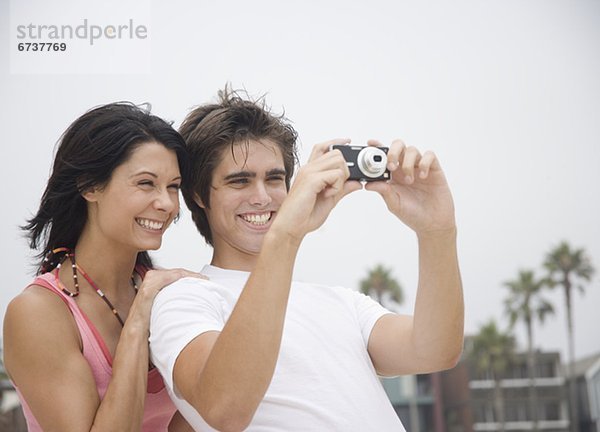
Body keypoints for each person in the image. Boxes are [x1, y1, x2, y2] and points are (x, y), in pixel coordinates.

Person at [149, 88, 464, 431]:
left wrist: (437, 232)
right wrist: (287, 235)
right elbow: (224, 409)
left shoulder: (340, 302)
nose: (262, 197)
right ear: (199, 195)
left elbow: (435, 350)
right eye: (240, 181)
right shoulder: (184, 298)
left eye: (275, 178)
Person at [3, 103, 202, 431]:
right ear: (89, 186)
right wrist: (138, 322)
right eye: (146, 183)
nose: (167, 204)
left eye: (173, 186)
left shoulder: (164, 294)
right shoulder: (38, 314)